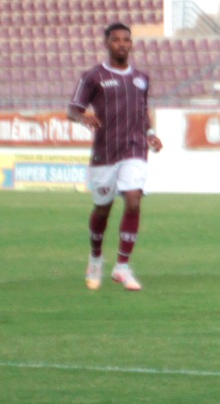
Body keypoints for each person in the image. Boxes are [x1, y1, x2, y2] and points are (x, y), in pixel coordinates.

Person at [68, 23, 163, 291]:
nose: (122, 44)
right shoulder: (93, 77)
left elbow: (143, 110)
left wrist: (151, 133)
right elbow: (73, 110)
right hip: (105, 153)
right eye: (116, 40)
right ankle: (95, 258)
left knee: (133, 199)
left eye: (126, 40)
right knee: (103, 208)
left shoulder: (141, 78)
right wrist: (82, 115)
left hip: (134, 149)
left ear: (131, 44)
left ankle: (122, 266)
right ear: (107, 44)